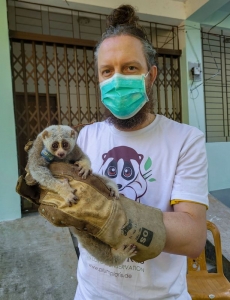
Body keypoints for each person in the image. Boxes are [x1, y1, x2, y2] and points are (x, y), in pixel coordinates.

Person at [74, 4, 208, 300]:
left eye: (130, 68)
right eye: (107, 71)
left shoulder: (185, 140)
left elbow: (192, 237)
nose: (117, 80)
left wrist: (103, 210)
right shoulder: (87, 136)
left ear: (151, 75)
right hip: (90, 293)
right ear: (98, 79)